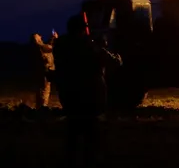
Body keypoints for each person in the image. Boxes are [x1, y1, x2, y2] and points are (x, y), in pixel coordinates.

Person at [53, 14, 122, 167]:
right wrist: (104, 47)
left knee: (72, 134)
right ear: (82, 29)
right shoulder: (89, 46)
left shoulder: (61, 45)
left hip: (69, 97)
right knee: (91, 137)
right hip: (90, 98)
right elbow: (113, 62)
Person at [30, 31, 57, 110]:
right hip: (45, 71)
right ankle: (43, 108)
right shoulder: (39, 46)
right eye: (37, 36)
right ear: (35, 39)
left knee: (43, 89)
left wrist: (52, 39)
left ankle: (40, 107)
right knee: (44, 89)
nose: (40, 36)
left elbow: (48, 46)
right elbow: (50, 47)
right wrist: (54, 38)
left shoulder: (41, 46)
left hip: (44, 70)